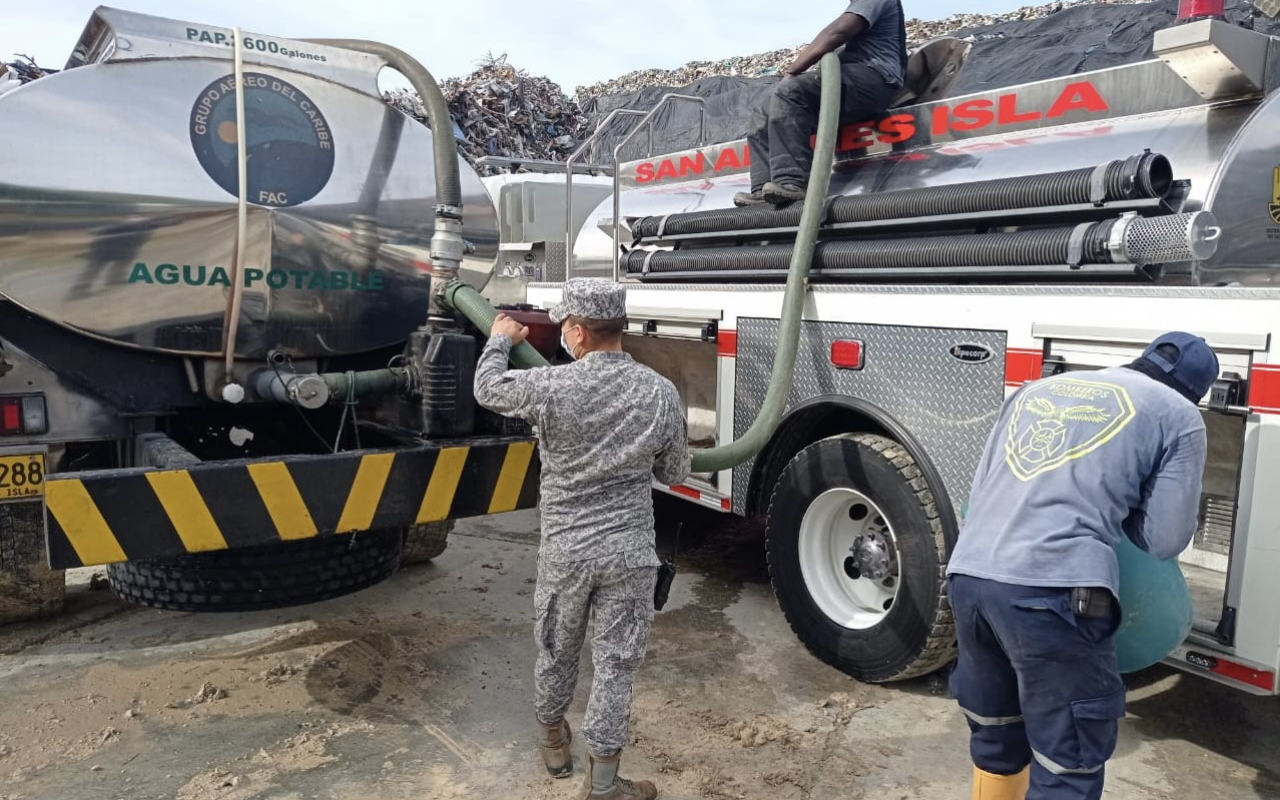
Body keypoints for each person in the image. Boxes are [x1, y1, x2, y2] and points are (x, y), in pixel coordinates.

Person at [946, 332, 1219, 800]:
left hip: (969, 579)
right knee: (1068, 763)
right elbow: (1164, 540)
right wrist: (1123, 506)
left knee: (997, 738)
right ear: (1196, 390)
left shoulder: (1036, 390)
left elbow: (983, 489)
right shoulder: (1178, 415)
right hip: (1055, 593)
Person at [474, 278, 691, 800]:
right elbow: (677, 471)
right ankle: (606, 784)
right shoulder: (659, 391)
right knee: (616, 665)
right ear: (619, 327)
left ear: (576, 331)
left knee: (555, 649)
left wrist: (500, 338)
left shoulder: (551, 387)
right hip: (629, 554)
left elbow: (487, 390)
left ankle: (553, 742)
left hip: (566, 554)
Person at [735, 0, 907, 208]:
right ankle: (762, 188)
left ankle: (792, 181)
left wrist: (793, 71)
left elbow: (838, 32)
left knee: (790, 92)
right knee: (762, 113)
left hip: (876, 79)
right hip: (849, 79)